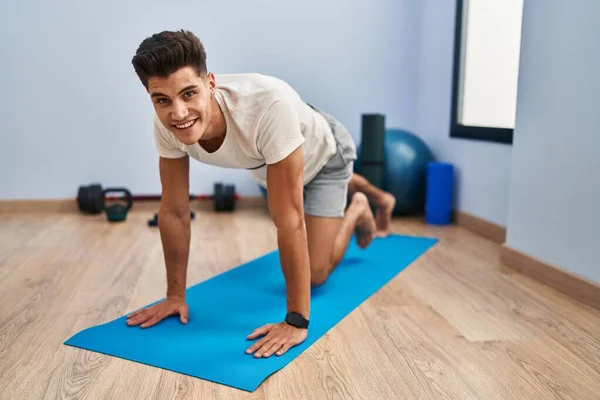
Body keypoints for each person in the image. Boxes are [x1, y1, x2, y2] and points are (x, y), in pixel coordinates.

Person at [125, 30, 396, 359]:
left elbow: (290, 221)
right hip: (269, 161)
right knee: (291, 188)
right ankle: (361, 196)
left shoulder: (265, 107)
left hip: (325, 155)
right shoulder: (168, 125)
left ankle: (357, 207)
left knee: (316, 275)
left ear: (210, 83)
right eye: (162, 100)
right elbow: (174, 212)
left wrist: (296, 321)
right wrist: (174, 295)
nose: (179, 113)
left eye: (189, 94)